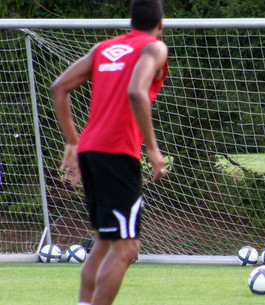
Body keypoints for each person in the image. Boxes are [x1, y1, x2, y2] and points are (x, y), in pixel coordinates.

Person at [50, 0, 168, 304]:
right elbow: (135, 91)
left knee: (105, 242)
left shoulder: (104, 48)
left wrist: (73, 143)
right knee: (127, 248)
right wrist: (153, 150)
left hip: (90, 151)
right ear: (160, 24)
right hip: (116, 154)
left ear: (130, 22)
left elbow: (58, 87)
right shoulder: (154, 48)